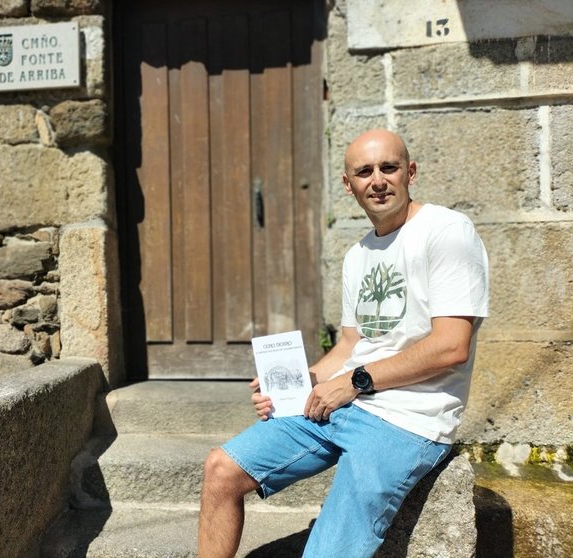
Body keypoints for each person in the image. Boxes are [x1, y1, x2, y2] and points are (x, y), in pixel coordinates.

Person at [197, 129, 489, 557]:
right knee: (221, 470)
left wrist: (355, 382)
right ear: (347, 184)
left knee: (327, 551)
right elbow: (352, 343)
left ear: (410, 173)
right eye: (364, 172)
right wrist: (295, 384)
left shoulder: (446, 231)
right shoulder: (359, 254)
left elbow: (451, 346)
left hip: (409, 421)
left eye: (388, 168)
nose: (378, 180)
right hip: (348, 401)